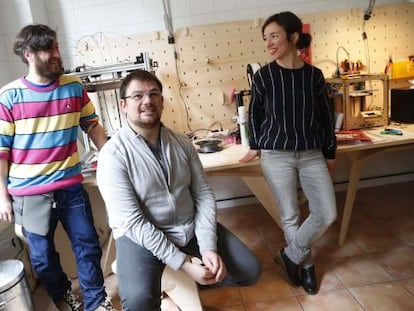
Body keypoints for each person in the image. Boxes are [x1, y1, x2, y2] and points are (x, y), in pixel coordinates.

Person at [96, 69, 261, 311]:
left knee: (250, 271)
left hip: (187, 227)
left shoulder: (182, 143)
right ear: (123, 105)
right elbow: (132, 221)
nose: (147, 101)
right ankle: (165, 292)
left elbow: (203, 196)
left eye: (154, 94)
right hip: (140, 238)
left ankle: (178, 281)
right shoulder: (113, 155)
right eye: (137, 96)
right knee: (140, 301)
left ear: (162, 102)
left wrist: (208, 247)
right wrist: (182, 262)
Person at [0, 24, 117, 311]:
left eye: (56, 47)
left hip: (70, 188)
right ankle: (64, 296)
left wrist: (116, 159)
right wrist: (2, 196)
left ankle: (95, 302)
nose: (56, 54)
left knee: (88, 246)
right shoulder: (9, 97)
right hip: (28, 193)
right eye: (47, 49)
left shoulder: (74, 87)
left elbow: (93, 128)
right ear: (28, 55)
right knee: (42, 259)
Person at [240, 11, 337, 295]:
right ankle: (305, 266)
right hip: (275, 155)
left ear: (293, 37)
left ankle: (290, 255)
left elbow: (325, 116)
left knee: (326, 212)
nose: (269, 43)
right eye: (265, 38)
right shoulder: (264, 76)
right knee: (290, 215)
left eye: (274, 36)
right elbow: (254, 114)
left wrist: (330, 151)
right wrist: (255, 146)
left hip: (311, 153)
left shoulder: (314, 76)